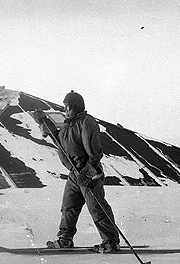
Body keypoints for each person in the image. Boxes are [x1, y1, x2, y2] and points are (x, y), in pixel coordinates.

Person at [33, 90, 120, 253]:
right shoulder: (68, 125)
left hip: (89, 173)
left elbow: (94, 151)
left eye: (67, 106)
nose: (65, 110)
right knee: (68, 206)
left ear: (76, 106)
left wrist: (88, 172)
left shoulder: (86, 122)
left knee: (97, 207)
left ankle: (111, 241)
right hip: (74, 174)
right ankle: (65, 239)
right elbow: (58, 139)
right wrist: (43, 122)